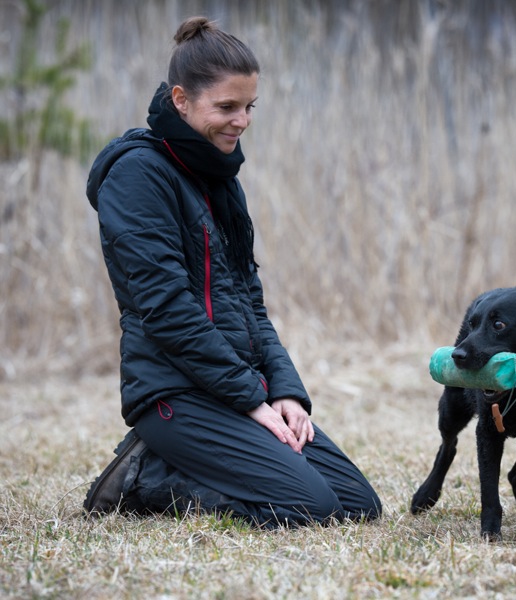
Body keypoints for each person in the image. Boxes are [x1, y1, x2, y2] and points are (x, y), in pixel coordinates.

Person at [82, 16, 381, 528]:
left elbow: (248, 301)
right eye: (226, 107)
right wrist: (251, 400)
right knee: (311, 508)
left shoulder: (220, 177)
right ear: (181, 100)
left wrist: (284, 391)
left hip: (236, 385)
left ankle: (196, 458)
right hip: (174, 395)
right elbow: (167, 311)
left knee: (357, 504)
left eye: (248, 107)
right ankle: (146, 477)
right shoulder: (137, 175)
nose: (241, 121)